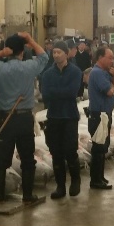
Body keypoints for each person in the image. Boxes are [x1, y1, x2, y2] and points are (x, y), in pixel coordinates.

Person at [0, 32, 49, 202]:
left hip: (6, 119)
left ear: (7, 50)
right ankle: (28, 195)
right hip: (24, 119)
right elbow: (44, 57)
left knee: (1, 159)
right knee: (27, 158)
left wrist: (1, 53)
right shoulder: (29, 66)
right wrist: (31, 40)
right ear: (22, 52)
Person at [40, 40, 83, 198]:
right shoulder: (47, 73)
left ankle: (76, 181)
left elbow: (72, 92)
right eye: (54, 52)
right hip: (53, 116)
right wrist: (60, 92)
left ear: (66, 53)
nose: (56, 55)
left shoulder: (75, 71)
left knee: (71, 151)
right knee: (56, 152)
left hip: (69, 116)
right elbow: (45, 94)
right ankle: (60, 187)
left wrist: (55, 92)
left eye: (59, 52)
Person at [88, 46, 114, 189]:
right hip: (98, 116)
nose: (112, 61)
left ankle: (100, 176)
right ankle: (95, 180)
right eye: (110, 57)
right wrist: (112, 87)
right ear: (100, 57)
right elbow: (109, 92)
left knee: (103, 148)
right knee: (98, 149)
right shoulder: (97, 73)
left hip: (105, 115)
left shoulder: (105, 72)